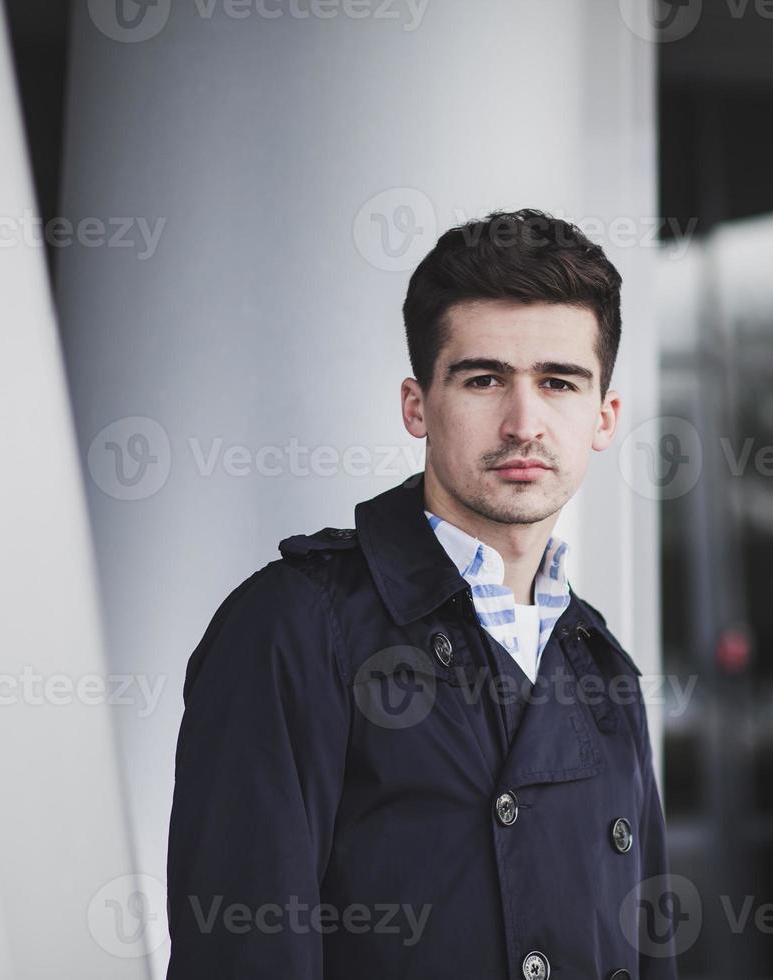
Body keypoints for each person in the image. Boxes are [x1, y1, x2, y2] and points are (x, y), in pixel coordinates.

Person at [166, 208, 679, 979]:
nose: (523, 422)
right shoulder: (295, 625)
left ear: (603, 416)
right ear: (417, 405)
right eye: (483, 380)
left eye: (558, 382)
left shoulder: (604, 663)